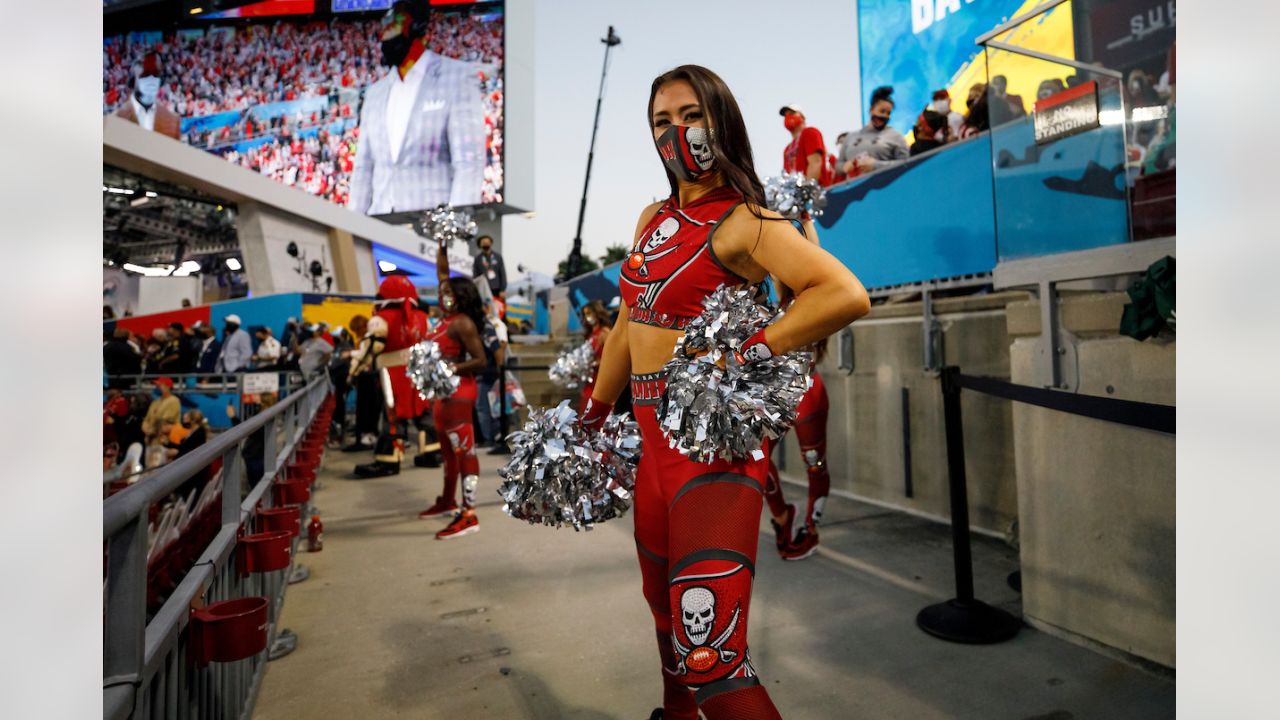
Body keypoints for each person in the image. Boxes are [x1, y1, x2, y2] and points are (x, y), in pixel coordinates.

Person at [585, 65, 870, 719]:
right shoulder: (652, 217)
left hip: (710, 452)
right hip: (652, 446)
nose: (676, 133)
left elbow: (844, 293)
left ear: (721, 123)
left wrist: (745, 353)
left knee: (711, 657)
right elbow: (630, 320)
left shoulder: (746, 220)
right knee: (664, 616)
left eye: (690, 116)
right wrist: (595, 411)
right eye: (662, 121)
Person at [348, 0, 486, 214]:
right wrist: (351, 234)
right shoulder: (375, 94)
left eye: (395, 24)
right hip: (378, 227)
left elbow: (468, 164)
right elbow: (363, 171)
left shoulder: (457, 77)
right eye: (385, 25)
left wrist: (454, 234)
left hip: (430, 230)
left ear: (417, 28)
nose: (386, 33)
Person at [417, 241, 488, 540]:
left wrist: (450, 369)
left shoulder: (461, 322)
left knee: (464, 451)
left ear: (461, 297)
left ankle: (469, 513)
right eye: (442, 292)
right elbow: (443, 273)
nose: (443, 295)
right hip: (443, 395)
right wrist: (442, 246)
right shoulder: (445, 319)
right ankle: (448, 500)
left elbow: (481, 360)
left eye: (449, 293)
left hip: (459, 393)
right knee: (448, 453)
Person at [355, 275, 433, 477]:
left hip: (392, 372)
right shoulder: (422, 317)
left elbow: (373, 346)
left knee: (392, 414)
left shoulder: (380, 319)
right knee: (424, 411)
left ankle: (389, 460)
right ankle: (432, 452)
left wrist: (355, 367)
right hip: (420, 369)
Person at [837, 85, 909, 179]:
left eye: (888, 113)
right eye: (882, 111)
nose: (885, 116)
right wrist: (844, 167)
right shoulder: (851, 137)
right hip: (855, 191)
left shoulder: (896, 136)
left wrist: (876, 165)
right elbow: (838, 166)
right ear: (871, 110)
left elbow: (906, 164)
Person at [114, 51, 181, 139]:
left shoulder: (172, 121)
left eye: (155, 74)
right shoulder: (117, 119)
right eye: (145, 75)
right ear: (133, 80)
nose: (151, 80)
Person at [778, 103, 831, 186]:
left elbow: (815, 163)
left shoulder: (810, 132)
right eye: (785, 116)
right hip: (795, 193)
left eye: (792, 114)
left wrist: (808, 188)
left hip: (816, 190)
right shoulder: (787, 149)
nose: (788, 118)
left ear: (802, 117)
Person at [577, 300, 611, 415]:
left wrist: (596, 363)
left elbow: (613, 358)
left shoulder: (604, 332)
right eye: (585, 314)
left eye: (590, 313)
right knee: (586, 410)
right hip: (590, 378)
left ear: (597, 313)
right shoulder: (590, 333)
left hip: (601, 378)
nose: (588, 317)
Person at [140, 377, 182, 442]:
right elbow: (146, 420)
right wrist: (147, 430)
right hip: (152, 438)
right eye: (157, 385)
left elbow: (165, 420)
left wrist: (152, 430)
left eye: (160, 385)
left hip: (167, 439)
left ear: (167, 387)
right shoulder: (155, 402)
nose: (157, 387)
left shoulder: (174, 401)